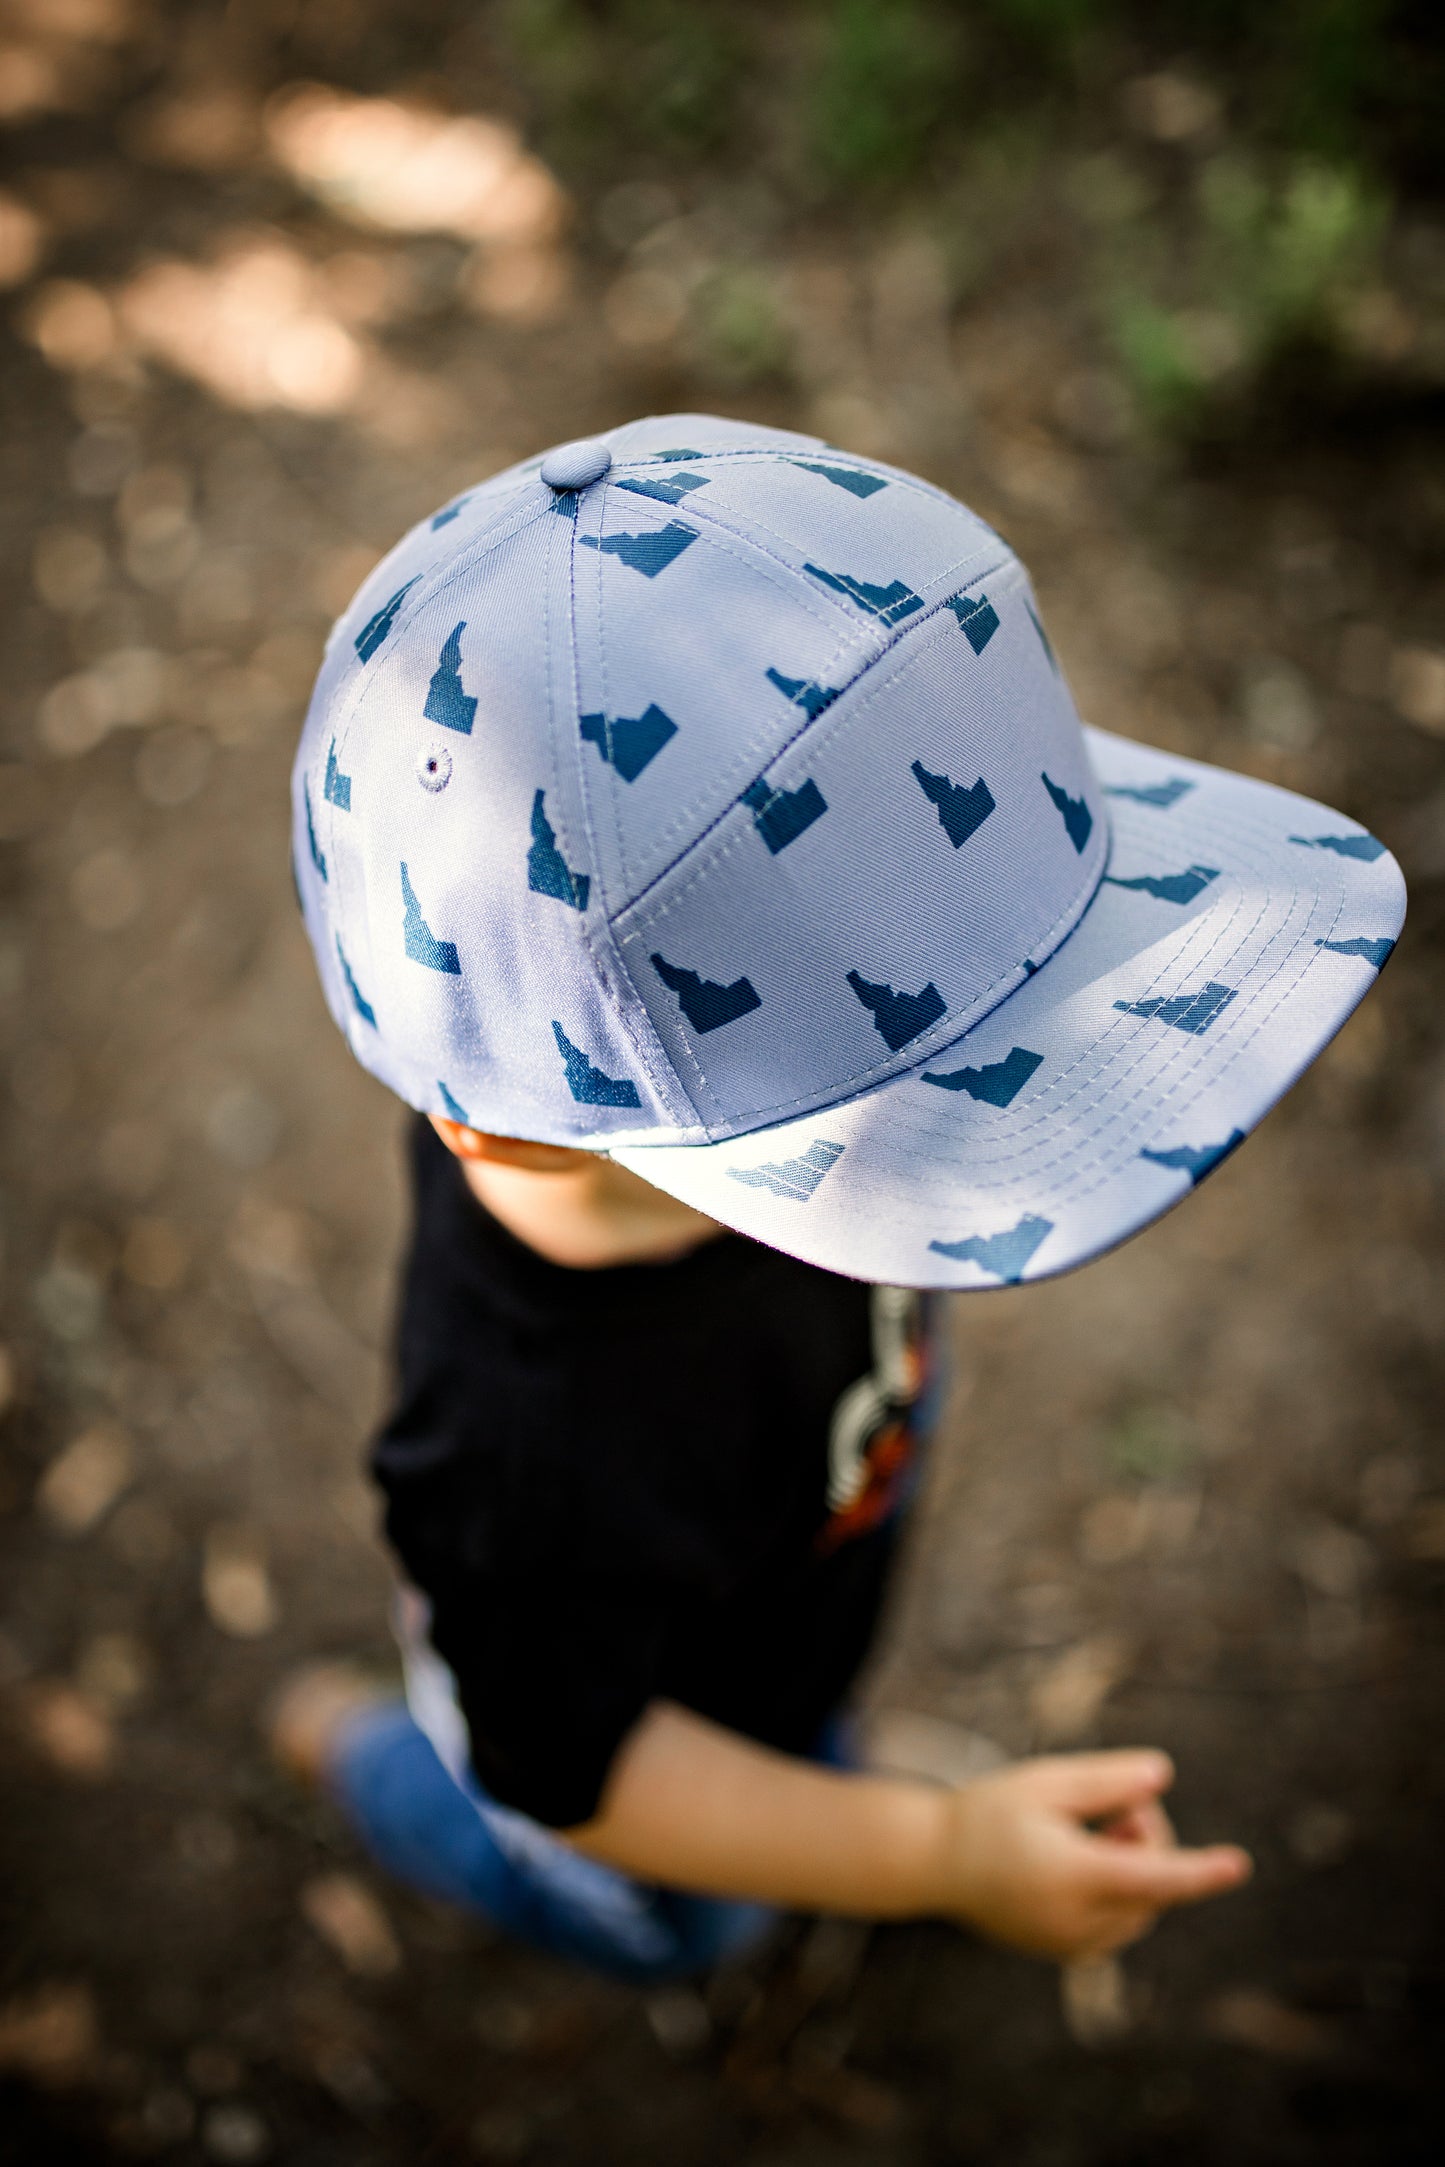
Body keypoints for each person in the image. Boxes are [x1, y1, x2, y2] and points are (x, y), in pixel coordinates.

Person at [276, 413, 1405, 1984]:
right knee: (683, 1916)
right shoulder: (526, 1467)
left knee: (802, 1722)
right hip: (621, 1745)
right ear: (521, 1139)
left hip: (798, 1544)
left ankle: (814, 1759)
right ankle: (353, 1753)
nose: (971, 1142)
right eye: (907, 1106)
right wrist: (932, 1854)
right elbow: (579, 1769)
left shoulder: (602, 1105)